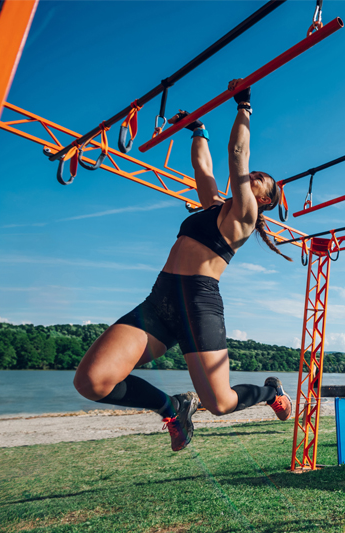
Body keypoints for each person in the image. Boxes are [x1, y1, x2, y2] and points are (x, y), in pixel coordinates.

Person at [73, 79, 292, 452]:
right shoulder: (213, 207)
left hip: (198, 304)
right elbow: (203, 167)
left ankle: (269, 391)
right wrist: (198, 130)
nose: (255, 177)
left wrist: (244, 105)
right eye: (256, 175)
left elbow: (238, 154)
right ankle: (172, 407)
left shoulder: (244, 215)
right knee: (91, 382)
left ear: (264, 201)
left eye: (261, 181)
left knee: (220, 404)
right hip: (161, 299)